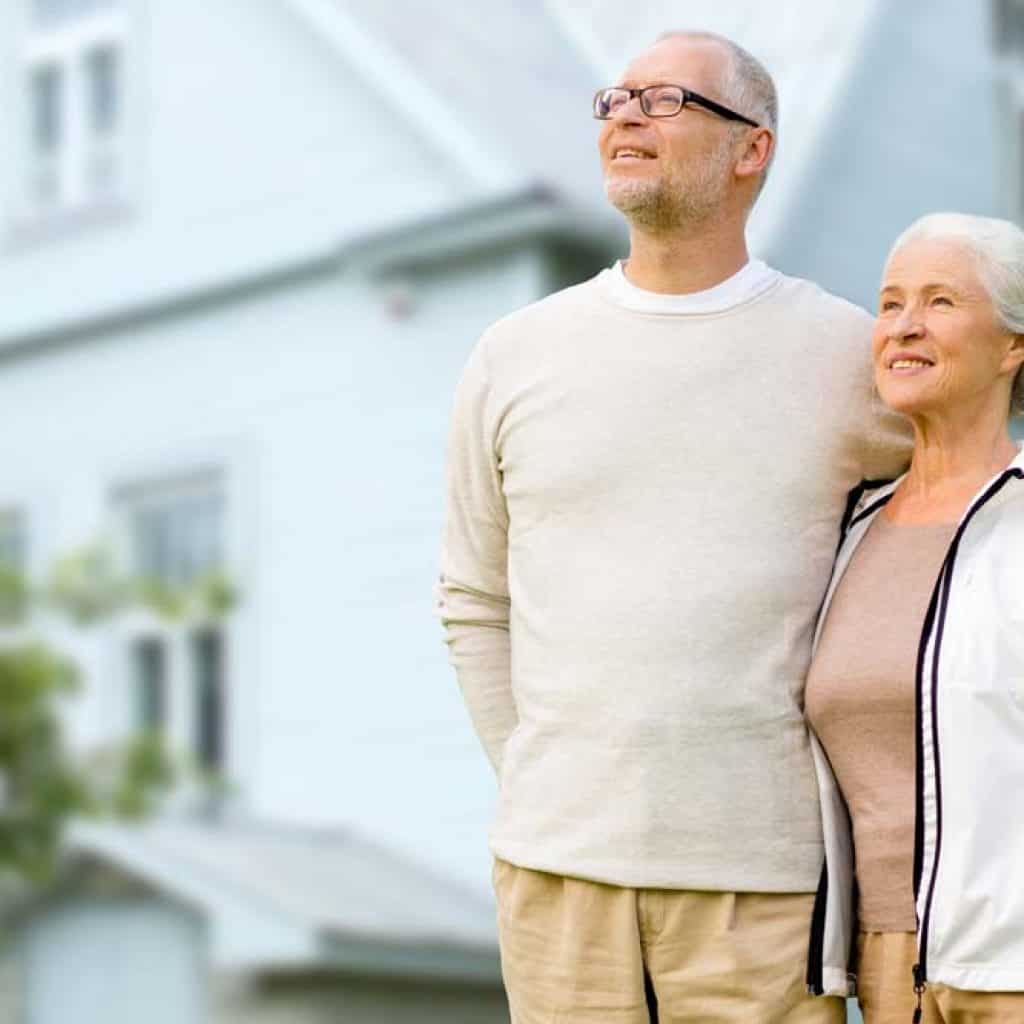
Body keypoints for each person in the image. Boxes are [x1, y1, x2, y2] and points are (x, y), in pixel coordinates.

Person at [438, 29, 910, 1023]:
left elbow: (960, 529)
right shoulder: (514, 354)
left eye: (665, 101)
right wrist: (538, 769)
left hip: (765, 880)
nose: (626, 119)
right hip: (555, 871)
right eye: (616, 101)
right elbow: (474, 596)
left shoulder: (845, 357)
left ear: (751, 149)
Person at [805, 212, 1024, 1023]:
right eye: (891, 303)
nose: (904, 325)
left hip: (1008, 966)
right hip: (884, 967)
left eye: (939, 302)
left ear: (1013, 345)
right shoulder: (850, 528)